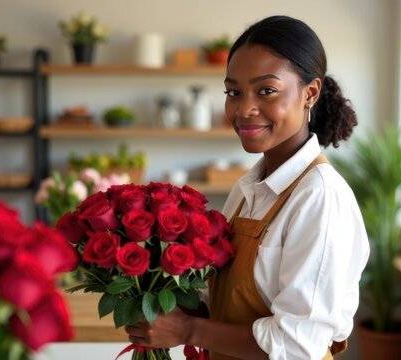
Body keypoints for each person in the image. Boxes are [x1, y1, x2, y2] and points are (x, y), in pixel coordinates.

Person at [125, 15, 370, 360]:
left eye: (266, 90)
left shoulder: (320, 197)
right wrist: (150, 296)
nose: (244, 109)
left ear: (309, 93)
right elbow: (228, 301)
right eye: (233, 92)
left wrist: (189, 330)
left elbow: (298, 346)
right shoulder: (247, 188)